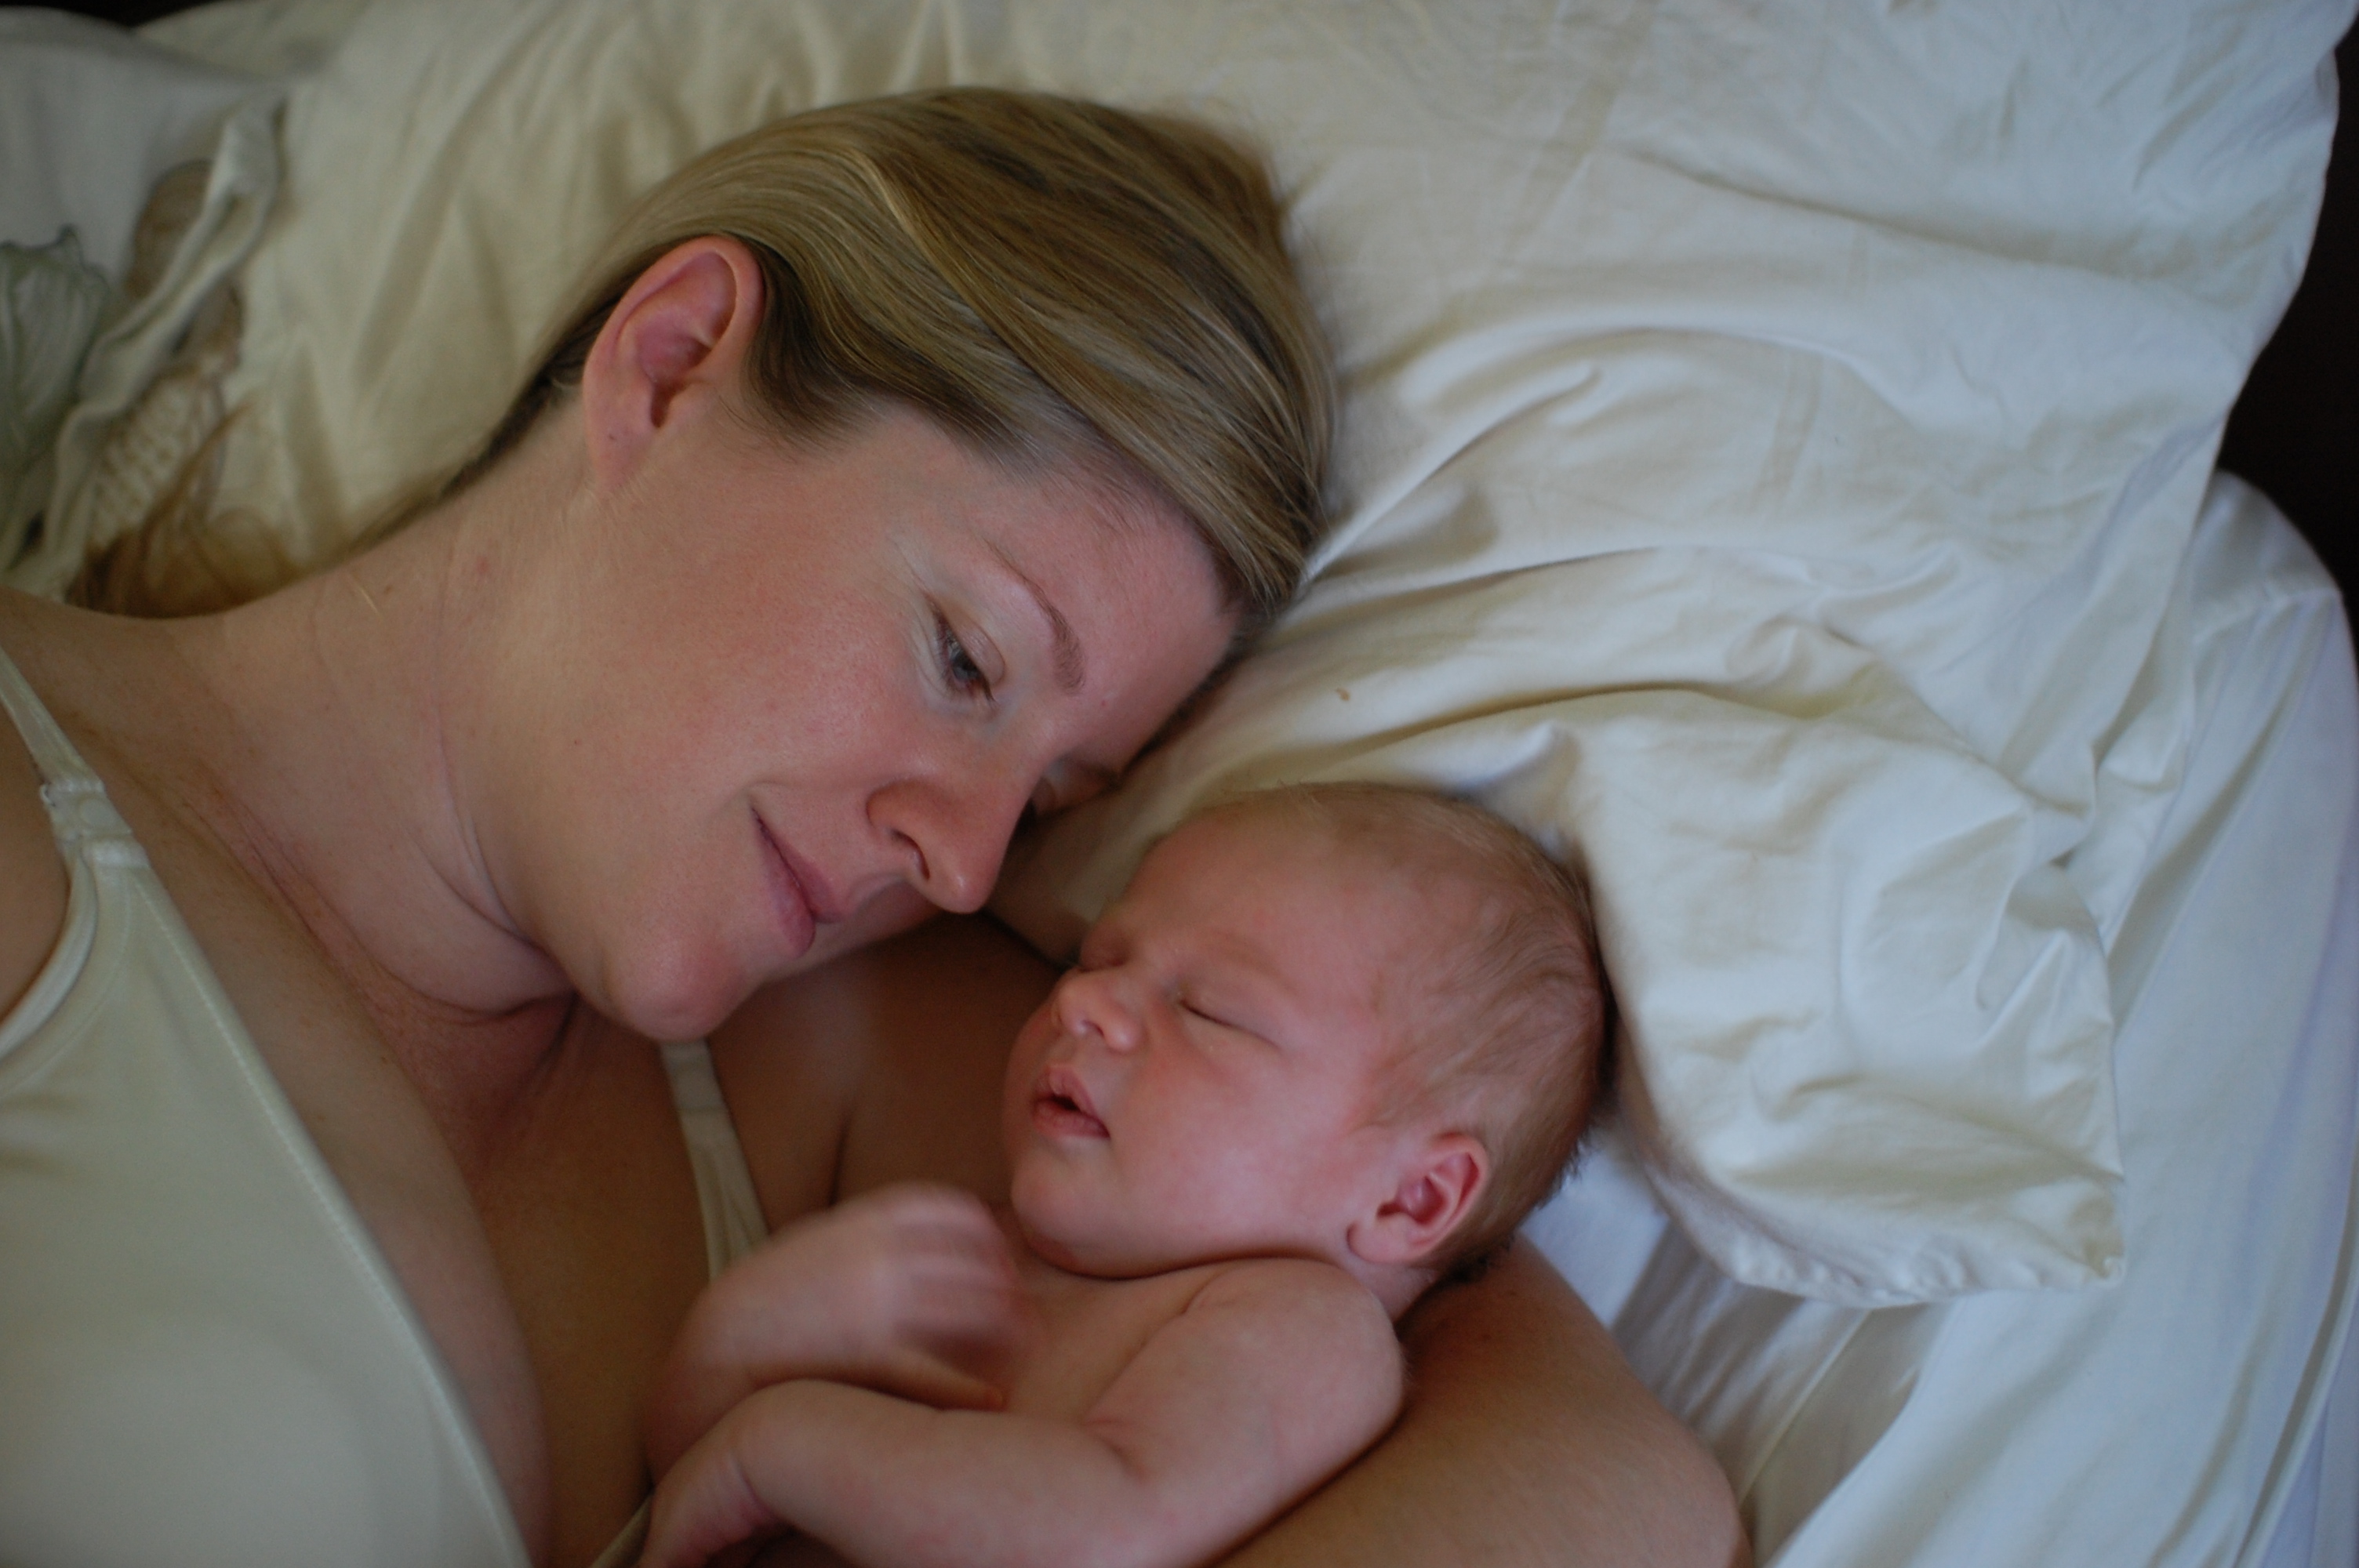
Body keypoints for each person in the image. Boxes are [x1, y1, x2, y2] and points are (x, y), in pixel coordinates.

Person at [0, 87, 1742, 1568]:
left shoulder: (863, 1040)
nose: (966, 863)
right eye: (965, 658)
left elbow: (1609, 1484)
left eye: (1050, 799)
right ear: (670, 366)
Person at [626, 784, 1614, 1568]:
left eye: (1208, 1008)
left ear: (1411, 1198)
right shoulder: (970, 1251)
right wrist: (749, 1334)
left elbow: (1105, 1530)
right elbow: (687, 1491)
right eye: (1094, 956)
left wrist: (782, 1443)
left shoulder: (1301, 1326)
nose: (1085, 1001)